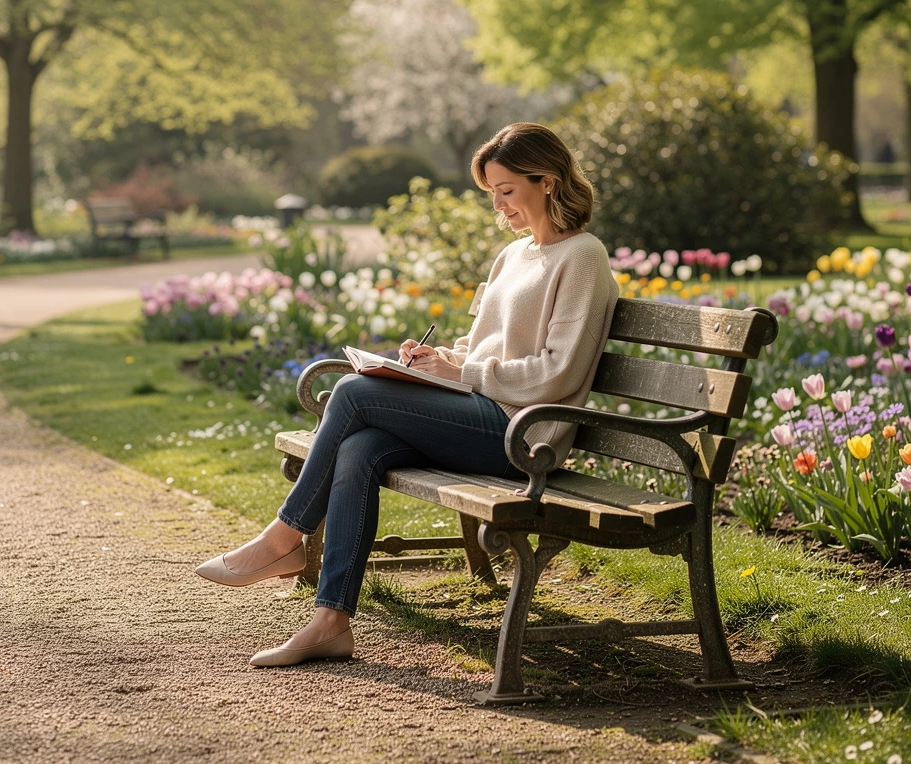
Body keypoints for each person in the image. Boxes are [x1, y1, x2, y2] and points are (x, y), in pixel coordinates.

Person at [195, 122, 619, 666]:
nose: (500, 206)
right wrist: (438, 363)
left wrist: (464, 372)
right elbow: (479, 348)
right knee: (360, 447)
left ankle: (282, 540)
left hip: (520, 437)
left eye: (507, 191)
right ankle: (331, 623)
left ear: (549, 181)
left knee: (351, 392)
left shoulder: (582, 256)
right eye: (492, 194)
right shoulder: (513, 256)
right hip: (481, 413)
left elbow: (557, 373)